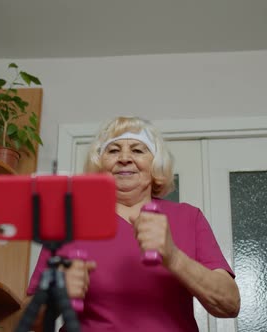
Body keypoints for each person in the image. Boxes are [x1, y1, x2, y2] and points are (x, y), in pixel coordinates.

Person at [27, 116, 240, 331]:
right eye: (113, 150)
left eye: (138, 150)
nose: (125, 158)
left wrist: (173, 257)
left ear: (155, 163)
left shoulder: (188, 218)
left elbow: (230, 304)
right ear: (100, 165)